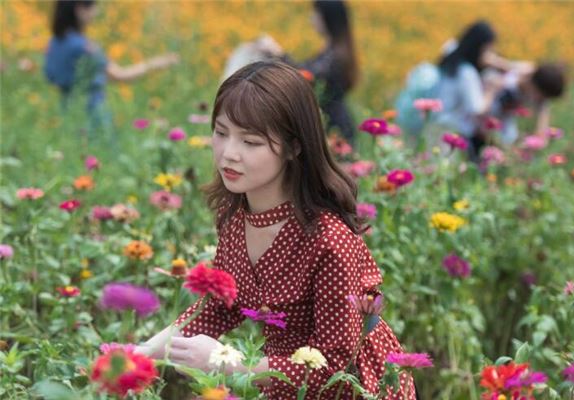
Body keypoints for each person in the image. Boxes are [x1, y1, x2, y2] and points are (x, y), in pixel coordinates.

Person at [136, 61, 416, 399]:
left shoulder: (328, 240)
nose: (229, 154)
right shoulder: (234, 215)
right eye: (221, 133)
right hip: (280, 379)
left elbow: (335, 372)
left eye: (250, 141)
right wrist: (139, 354)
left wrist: (229, 364)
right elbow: (220, 306)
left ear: (294, 147)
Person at [44, 0, 178, 137]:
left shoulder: (54, 43)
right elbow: (121, 75)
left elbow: (52, 78)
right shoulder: (84, 46)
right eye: (93, 7)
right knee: (99, 148)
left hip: (67, 111)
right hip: (92, 113)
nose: (96, 13)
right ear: (80, 10)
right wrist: (156, 63)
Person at [264, 0, 359, 145]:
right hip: (331, 125)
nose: (312, 18)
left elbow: (306, 76)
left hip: (334, 130)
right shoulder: (334, 50)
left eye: (316, 13)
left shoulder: (335, 56)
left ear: (328, 17)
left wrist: (278, 53)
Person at [434, 20, 505, 159]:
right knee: (444, 168)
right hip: (451, 131)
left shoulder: (451, 54)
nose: (489, 55)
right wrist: (491, 90)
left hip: (436, 124)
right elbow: (476, 109)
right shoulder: (467, 72)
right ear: (479, 48)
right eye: (487, 50)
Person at [488, 62, 567, 144]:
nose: (540, 100)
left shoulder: (539, 95)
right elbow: (489, 60)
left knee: (510, 138)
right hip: (486, 112)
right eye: (541, 97)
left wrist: (537, 141)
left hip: (502, 122)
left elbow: (541, 129)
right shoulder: (514, 76)